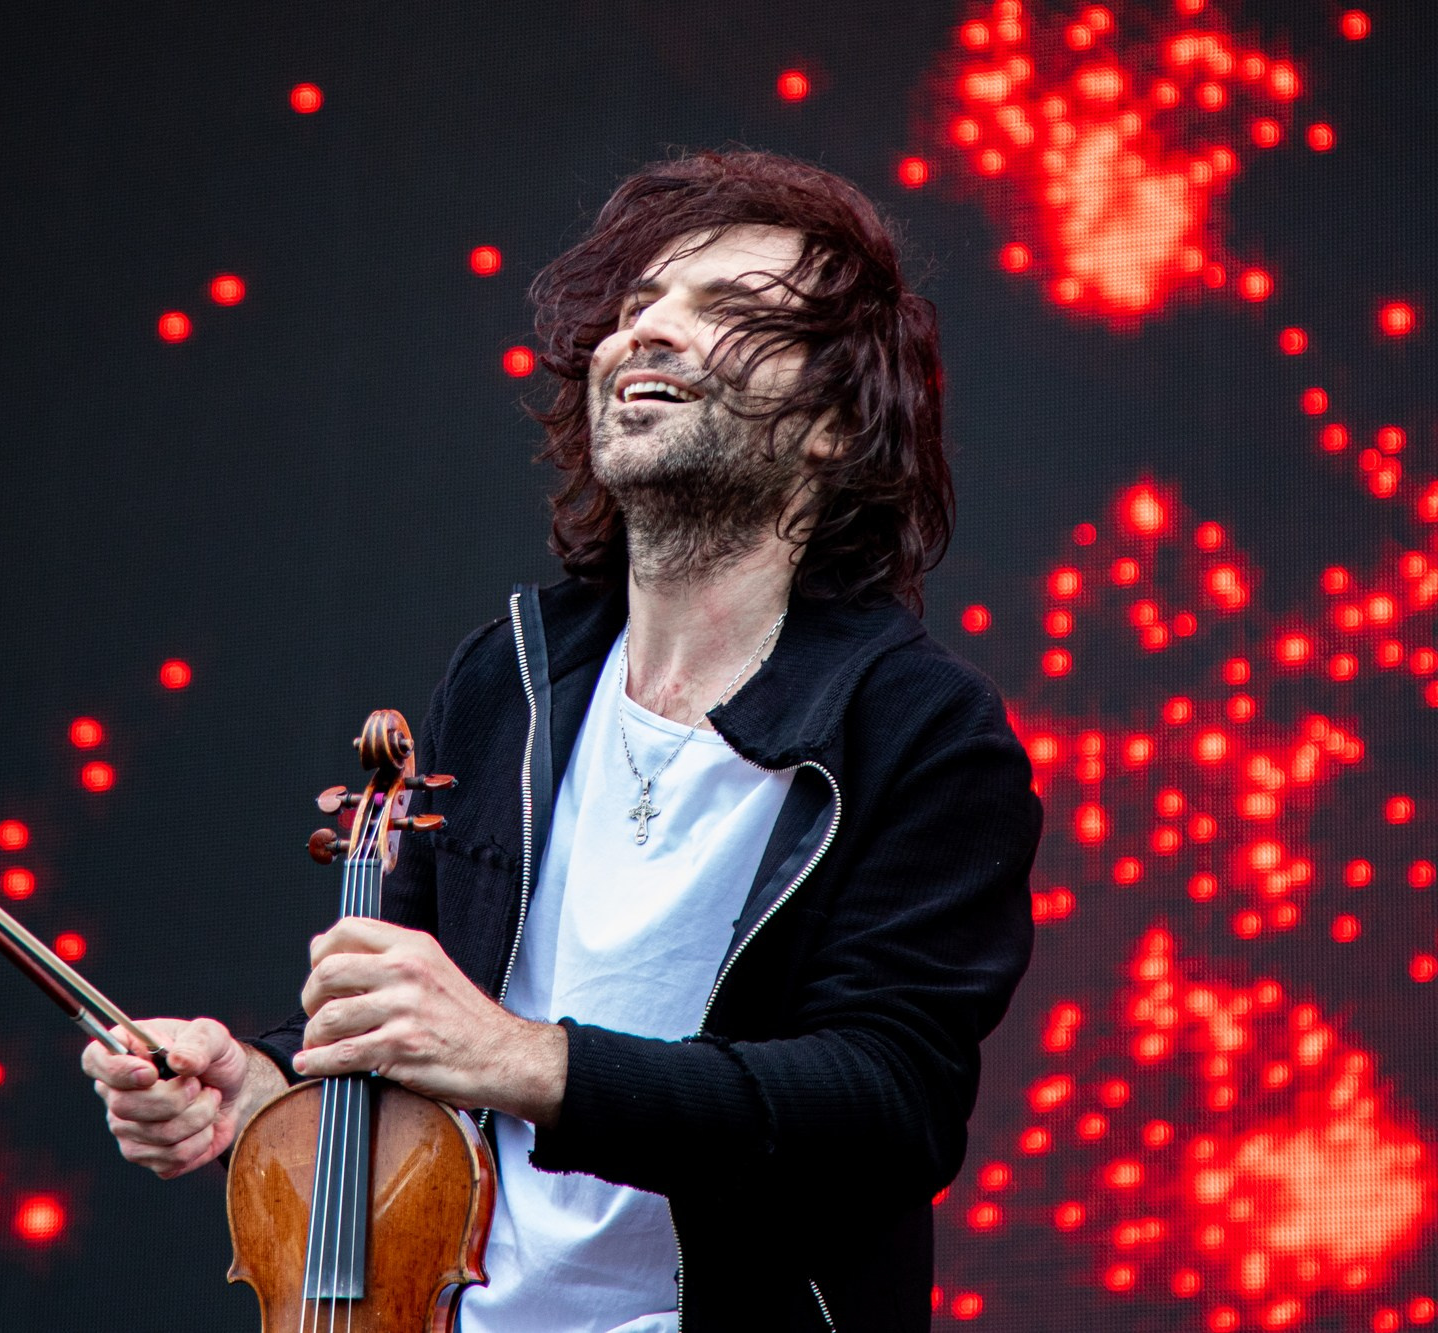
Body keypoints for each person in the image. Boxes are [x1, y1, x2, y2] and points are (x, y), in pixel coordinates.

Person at [82, 149, 1041, 1332]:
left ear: (836, 426)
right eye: (638, 307)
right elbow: (414, 1008)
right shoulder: (511, 678)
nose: (649, 333)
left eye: (726, 313)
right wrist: (263, 1077)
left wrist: (523, 1060)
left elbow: (886, 1110)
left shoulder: (916, 727)